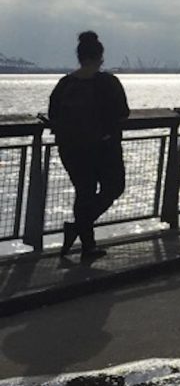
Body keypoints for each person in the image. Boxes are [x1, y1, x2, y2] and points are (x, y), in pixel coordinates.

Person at [47, 31, 130, 260]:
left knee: (83, 192)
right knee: (114, 187)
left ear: (80, 56)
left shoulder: (65, 83)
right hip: (104, 147)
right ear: (100, 56)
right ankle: (79, 231)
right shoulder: (108, 82)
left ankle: (87, 245)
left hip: (71, 149)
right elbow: (122, 112)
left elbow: (53, 115)